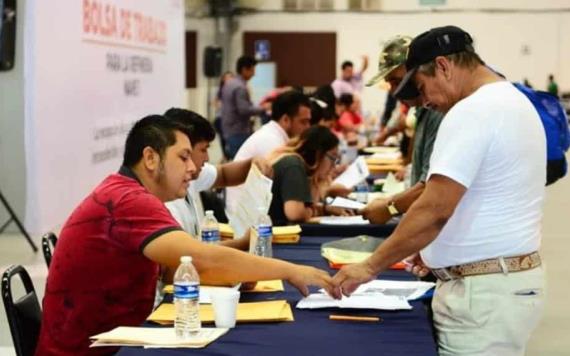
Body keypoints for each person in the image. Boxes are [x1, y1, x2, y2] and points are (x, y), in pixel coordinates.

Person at [36, 115, 336, 355]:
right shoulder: (129, 200)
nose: (193, 168)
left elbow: (176, 269)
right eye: (183, 157)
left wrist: (237, 273)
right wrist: (289, 270)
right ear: (150, 158)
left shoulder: (130, 193)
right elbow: (200, 261)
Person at [333, 26, 546, 356]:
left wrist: (369, 267)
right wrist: (438, 249)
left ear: (444, 66)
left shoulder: (473, 111)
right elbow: (480, 194)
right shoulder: (509, 101)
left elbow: (434, 208)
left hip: (483, 297)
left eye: (421, 87)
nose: (424, 102)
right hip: (498, 287)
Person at [361, 35, 444, 224]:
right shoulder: (424, 111)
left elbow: (431, 188)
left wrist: (390, 207)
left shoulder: (438, 113)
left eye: (397, 81)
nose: (394, 91)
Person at [163, 108, 270, 249]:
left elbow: (224, 174)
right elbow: (191, 253)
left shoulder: (188, 174)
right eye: (203, 150)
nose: (207, 158)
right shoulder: (167, 203)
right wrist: (243, 242)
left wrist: (253, 162)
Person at [225, 90, 312, 215]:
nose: (308, 127)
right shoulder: (271, 141)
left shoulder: (275, 136)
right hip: (245, 219)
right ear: (286, 119)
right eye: (303, 122)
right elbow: (291, 201)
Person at [266, 126, 348, 225]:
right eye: (333, 157)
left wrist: (325, 209)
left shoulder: (296, 163)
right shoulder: (293, 165)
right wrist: (314, 211)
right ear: (318, 154)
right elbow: (295, 213)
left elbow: (306, 205)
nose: (334, 166)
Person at [220, 55, 265, 159]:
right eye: (252, 70)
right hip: (239, 131)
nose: (254, 74)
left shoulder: (229, 83)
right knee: (241, 166)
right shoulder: (240, 87)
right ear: (245, 69)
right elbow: (244, 110)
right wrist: (264, 109)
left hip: (229, 129)